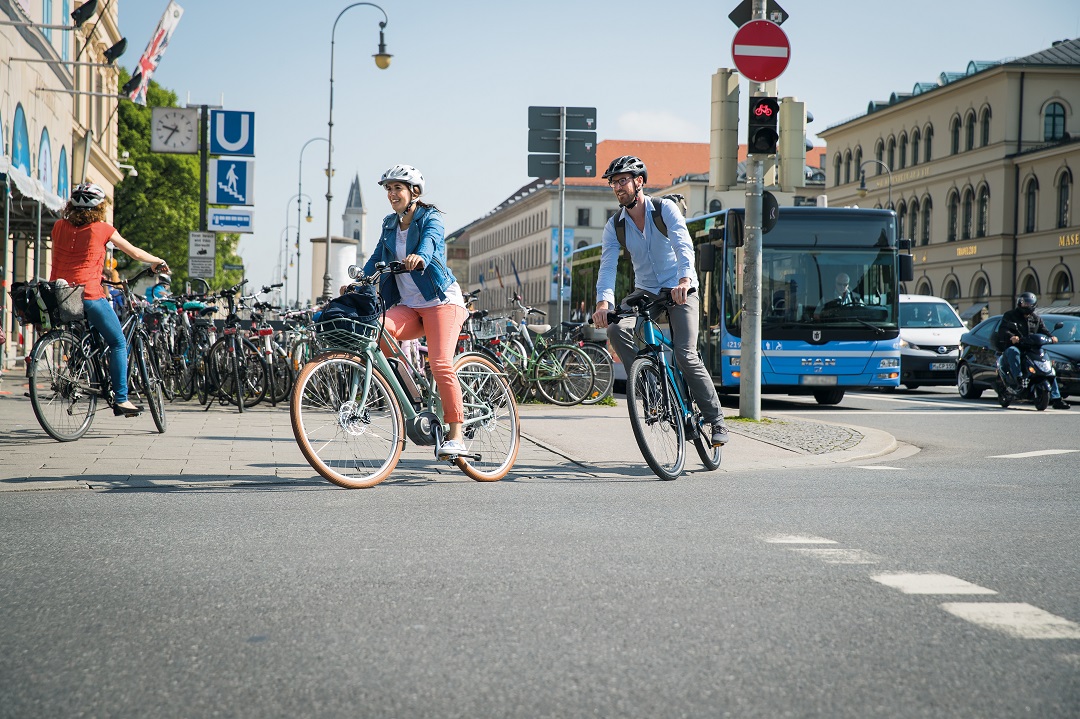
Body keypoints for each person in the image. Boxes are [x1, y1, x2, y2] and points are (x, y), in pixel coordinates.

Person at [591, 155, 729, 447]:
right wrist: (603, 303)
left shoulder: (664, 209)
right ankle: (651, 390)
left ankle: (716, 419)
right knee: (617, 329)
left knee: (685, 354)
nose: (618, 187)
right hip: (646, 291)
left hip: (680, 288)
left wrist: (683, 281)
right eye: (614, 183)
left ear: (639, 181)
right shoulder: (615, 225)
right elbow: (607, 267)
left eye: (623, 180)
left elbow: (683, 244)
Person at [361, 164, 471, 457]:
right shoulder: (389, 223)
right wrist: (359, 279)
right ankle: (412, 395)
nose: (392, 194)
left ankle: (456, 435)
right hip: (410, 305)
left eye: (398, 188)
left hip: (440, 302)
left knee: (440, 363)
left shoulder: (429, 217)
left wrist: (420, 257)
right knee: (378, 331)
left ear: (414, 192)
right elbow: (376, 257)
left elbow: (431, 242)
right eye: (388, 189)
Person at [50, 183, 169, 416]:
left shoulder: (58, 226)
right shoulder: (102, 228)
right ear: (100, 207)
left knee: (89, 335)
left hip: (59, 293)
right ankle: (122, 399)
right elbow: (133, 252)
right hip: (89, 294)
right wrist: (157, 260)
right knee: (117, 343)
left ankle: (81, 364)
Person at [999, 292, 1069, 409]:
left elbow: (1043, 330)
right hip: (1017, 347)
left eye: (1028, 303)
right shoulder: (1010, 315)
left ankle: (1057, 399)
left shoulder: (1036, 318)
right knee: (1013, 351)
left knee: (1048, 368)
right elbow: (1003, 330)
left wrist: (1052, 337)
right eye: (1024, 303)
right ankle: (1019, 378)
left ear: (1034, 304)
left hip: (1032, 348)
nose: (1026, 305)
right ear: (1019, 303)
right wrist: (1012, 337)